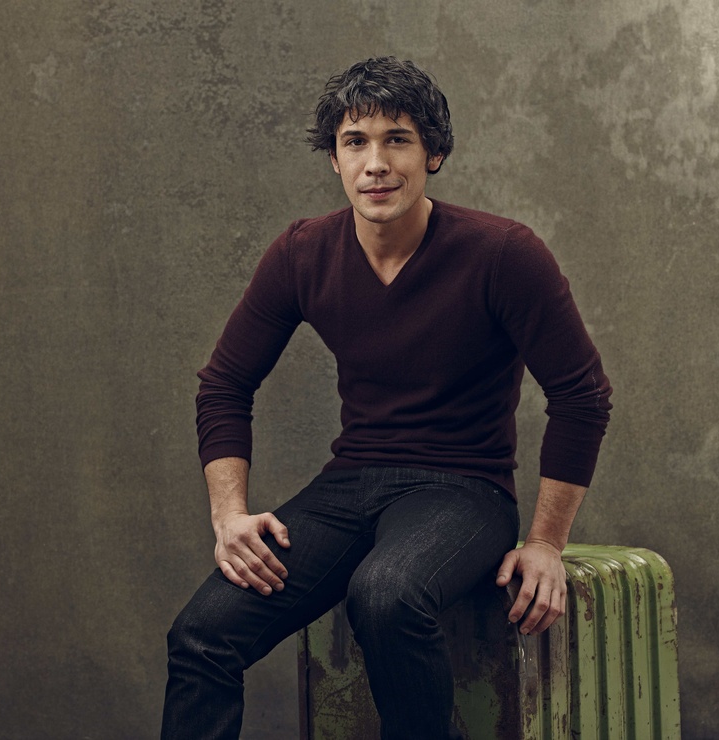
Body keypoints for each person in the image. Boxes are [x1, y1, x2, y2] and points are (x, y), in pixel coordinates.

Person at [161, 56, 611, 740]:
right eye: (355, 142)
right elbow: (224, 384)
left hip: (465, 491)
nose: (375, 164)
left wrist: (547, 542)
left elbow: (582, 396)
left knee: (386, 593)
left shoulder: (503, 254)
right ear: (334, 160)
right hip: (349, 485)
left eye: (397, 139)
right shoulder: (302, 253)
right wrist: (229, 515)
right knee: (201, 634)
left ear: (434, 153)